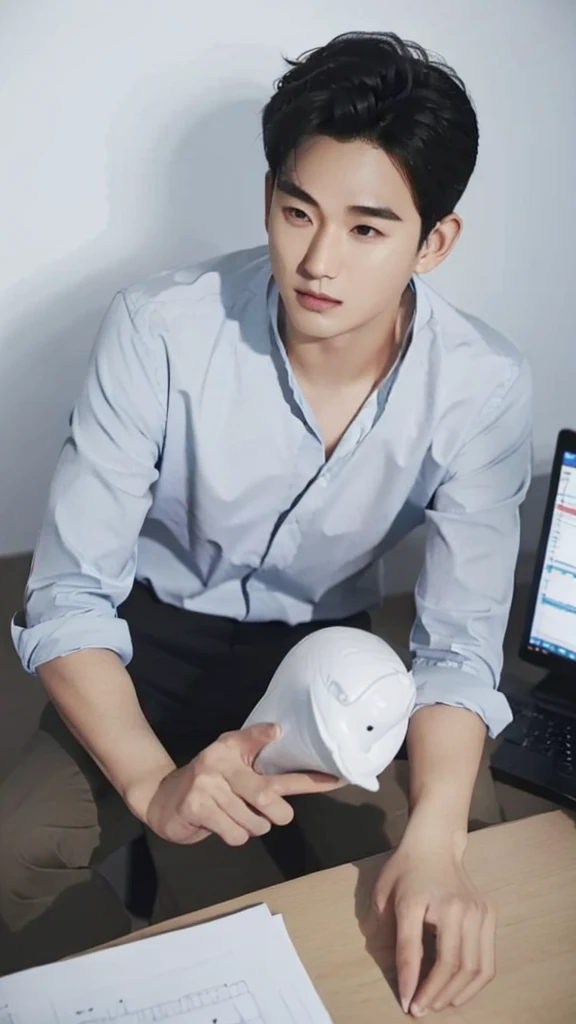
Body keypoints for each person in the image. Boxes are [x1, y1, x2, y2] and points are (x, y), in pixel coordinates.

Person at [0, 29, 531, 1017]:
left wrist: (436, 842)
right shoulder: (160, 326)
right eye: (297, 211)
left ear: (434, 241)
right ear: (269, 198)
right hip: (147, 636)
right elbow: (68, 594)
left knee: (458, 875)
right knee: (12, 851)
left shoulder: (483, 386)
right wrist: (156, 784)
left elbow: (457, 647)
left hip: (328, 650)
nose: (319, 260)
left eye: (369, 229)